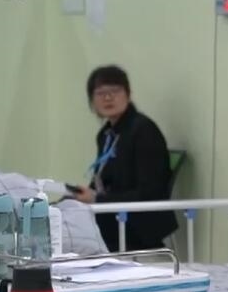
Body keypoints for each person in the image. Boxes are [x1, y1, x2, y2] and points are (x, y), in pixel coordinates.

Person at [73, 65, 176, 252]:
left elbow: (149, 193)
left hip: (137, 225)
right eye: (100, 93)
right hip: (112, 218)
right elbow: (103, 180)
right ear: (92, 100)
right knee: (62, 212)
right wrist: (81, 195)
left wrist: (97, 199)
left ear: (128, 95)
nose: (108, 98)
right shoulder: (106, 134)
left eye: (114, 91)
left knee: (70, 240)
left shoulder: (144, 131)